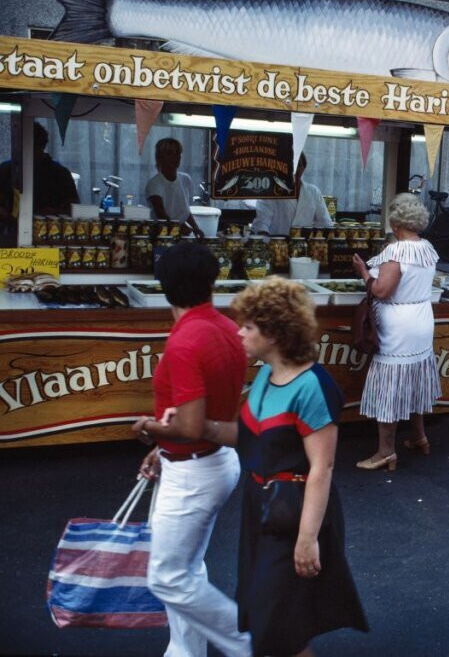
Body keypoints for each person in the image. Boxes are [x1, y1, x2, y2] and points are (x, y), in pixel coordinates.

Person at [195, 277, 369, 656]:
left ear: (273, 332)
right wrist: (186, 431)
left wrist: (308, 540)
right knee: (276, 624)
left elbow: (322, 468)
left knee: (277, 628)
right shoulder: (267, 376)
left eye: (249, 326)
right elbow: (247, 435)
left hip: (293, 516)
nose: (239, 333)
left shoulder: (312, 386)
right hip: (261, 510)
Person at [131, 241, 252, 657]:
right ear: (212, 281)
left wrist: (147, 429)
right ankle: (185, 651)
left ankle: (248, 643)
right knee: (187, 566)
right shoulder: (224, 326)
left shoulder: (184, 342)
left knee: (167, 578)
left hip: (193, 471)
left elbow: (188, 424)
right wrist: (162, 447)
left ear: (163, 287)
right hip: (212, 462)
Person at [352, 194, 441, 471]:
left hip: (398, 326)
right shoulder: (426, 248)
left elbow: (381, 290)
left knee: (389, 387)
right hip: (422, 319)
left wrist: (364, 272)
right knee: (413, 379)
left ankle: (385, 452)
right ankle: (419, 437)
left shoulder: (397, 251)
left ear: (394, 222)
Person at [0, 122, 79, 246]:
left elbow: (74, 207)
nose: (27, 152)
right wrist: (9, 216)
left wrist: (54, 212)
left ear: (42, 146)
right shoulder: (5, 170)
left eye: (33, 147)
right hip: (8, 236)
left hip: (50, 238)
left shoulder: (59, 173)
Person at [251, 153, 334, 236]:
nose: (295, 170)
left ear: (304, 168)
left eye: (299, 166)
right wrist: (265, 237)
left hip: (303, 244)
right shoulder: (271, 191)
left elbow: (325, 222)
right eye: (292, 165)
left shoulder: (313, 192)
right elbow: (262, 222)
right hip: (277, 243)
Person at [147, 137, 203, 237]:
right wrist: (179, 227)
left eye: (178, 153)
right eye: (169, 153)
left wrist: (196, 228)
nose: (175, 157)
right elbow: (161, 214)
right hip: (162, 236)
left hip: (181, 237)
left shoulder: (185, 179)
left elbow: (184, 211)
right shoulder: (155, 184)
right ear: (160, 157)